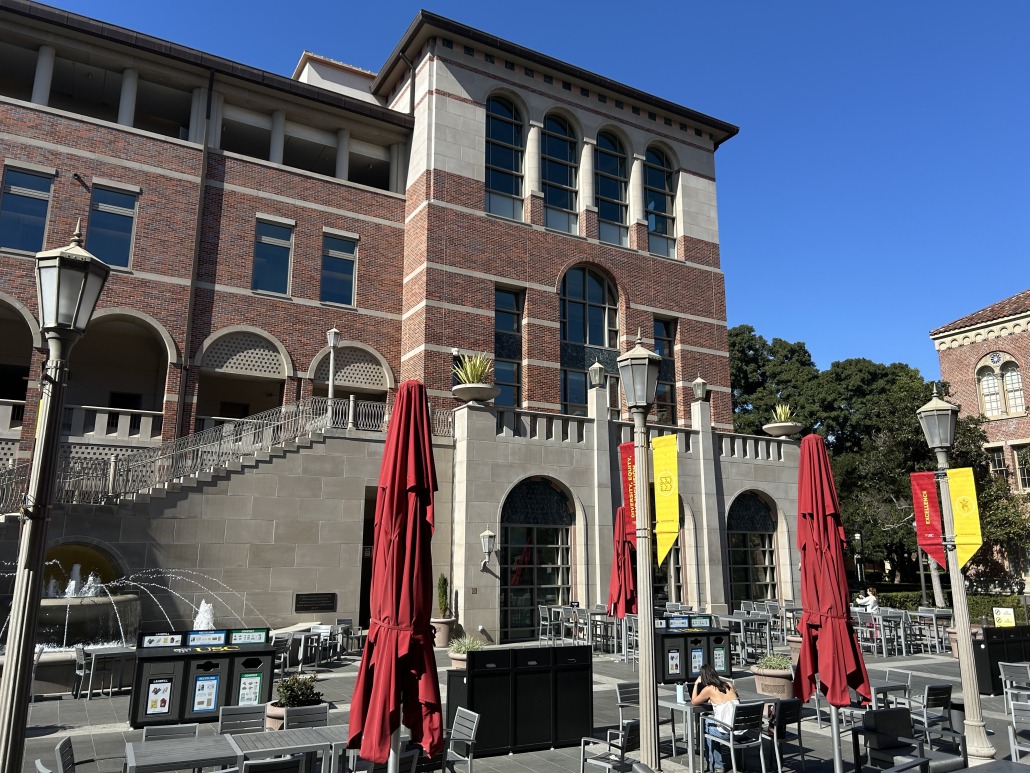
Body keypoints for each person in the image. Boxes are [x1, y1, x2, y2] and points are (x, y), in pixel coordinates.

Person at [691, 663, 738, 773]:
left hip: (728, 733)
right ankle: (716, 765)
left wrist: (696, 684)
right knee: (709, 721)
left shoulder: (709, 689)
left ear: (704, 677)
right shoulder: (729, 685)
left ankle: (716, 766)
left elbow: (694, 701)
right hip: (740, 730)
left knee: (706, 725)